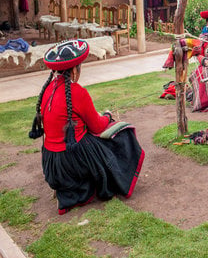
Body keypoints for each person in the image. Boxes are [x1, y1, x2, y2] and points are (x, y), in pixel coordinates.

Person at [29, 39, 144, 215]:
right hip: (71, 161)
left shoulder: (47, 90)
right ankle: (116, 181)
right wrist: (108, 116)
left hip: (51, 163)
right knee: (121, 134)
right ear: (75, 70)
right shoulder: (78, 93)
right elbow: (97, 127)